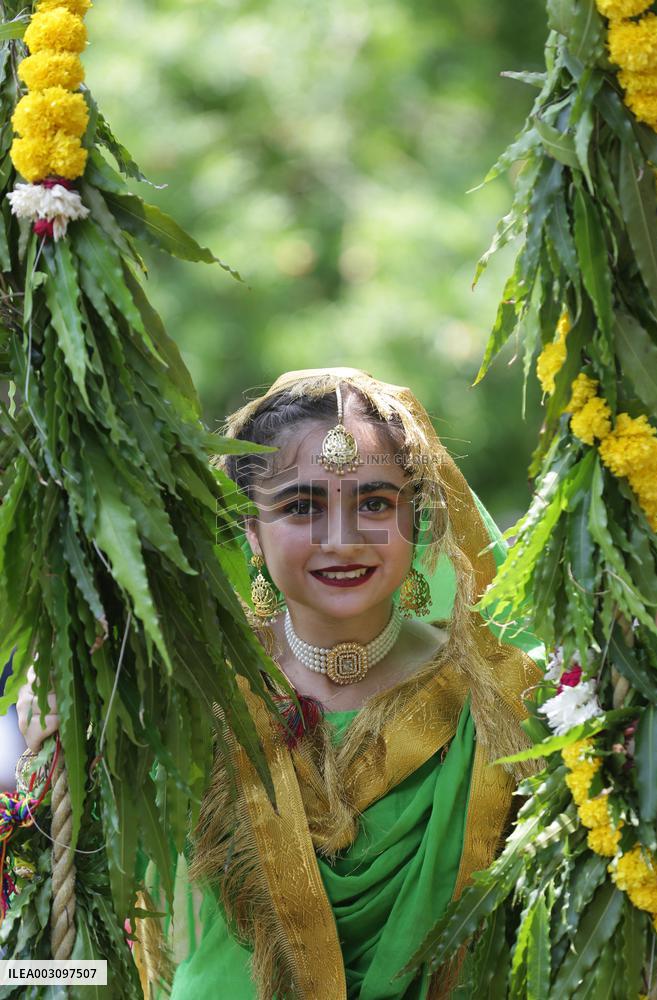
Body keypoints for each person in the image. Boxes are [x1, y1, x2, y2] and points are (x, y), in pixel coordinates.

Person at [17, 367, 542, 999]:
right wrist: (52, 743)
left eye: (375, 503)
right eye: (301, 507)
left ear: (419, 518)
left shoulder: (505, 698)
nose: (342, 540)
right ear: (251, 533)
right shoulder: (183, 690)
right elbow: (66, 922)